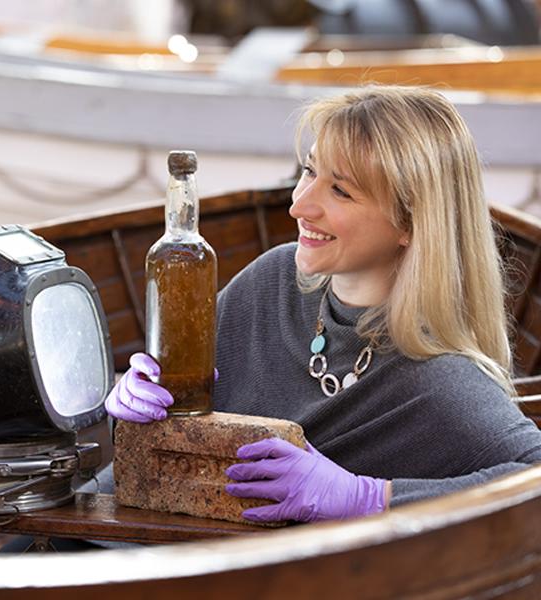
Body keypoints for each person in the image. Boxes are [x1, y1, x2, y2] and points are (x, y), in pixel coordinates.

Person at [106, 84, 541, 523]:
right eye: (310, 172)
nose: (299, 205)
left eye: (341, 191)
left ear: (411, 223)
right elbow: (161, 433)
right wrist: (132, 409)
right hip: (116, 523)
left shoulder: (441, 379)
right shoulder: (271, 280)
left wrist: (368, 497)